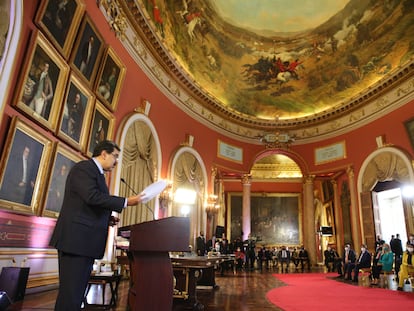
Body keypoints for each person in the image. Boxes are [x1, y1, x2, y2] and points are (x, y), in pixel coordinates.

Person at [49, 140, 145, 310]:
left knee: (75, 294)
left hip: (83, 243)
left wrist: (106, 219)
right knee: (71, 295)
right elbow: (91, 196)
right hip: (76, 242)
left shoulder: (97, 174)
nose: (116, 162)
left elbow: (86, 206)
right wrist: (126, 201)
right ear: (103, 154)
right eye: (115, 156)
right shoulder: (84, 168)